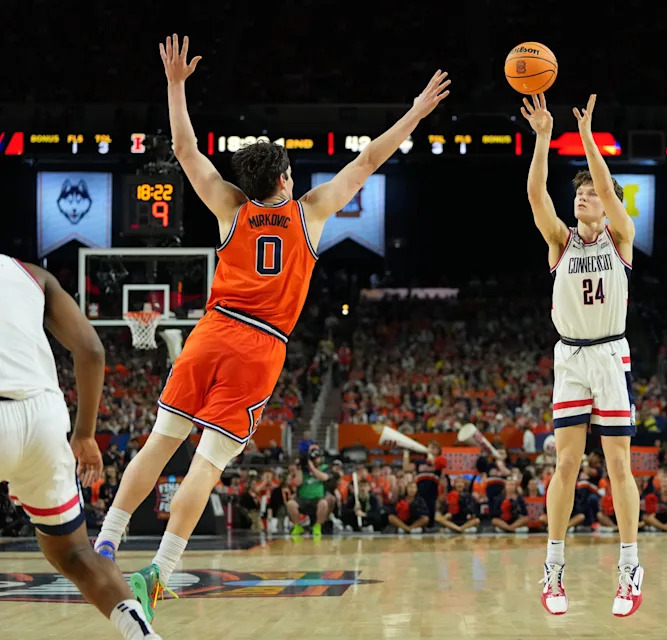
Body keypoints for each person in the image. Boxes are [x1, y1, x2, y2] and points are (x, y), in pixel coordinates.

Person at [93, 33, 451, 623]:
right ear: (285, 178)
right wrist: (414, 112)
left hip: (211, 332)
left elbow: (184, 149)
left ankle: (107, 539)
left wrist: (176, 85)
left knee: (161, 441)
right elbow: (366, 161)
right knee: (205, 465)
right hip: (260, 348)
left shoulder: (230, 207)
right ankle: (161, 567)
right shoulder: (308, 213)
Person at [523, 90, 642, 617]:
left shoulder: (621, 237)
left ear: (608, 200)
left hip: (610, 356)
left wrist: (590, 140)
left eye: (592, 193)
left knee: (618, 465)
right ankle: (553, 569)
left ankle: (629, 568)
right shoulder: (560, 242)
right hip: (570, 358)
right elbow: (535, 197)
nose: (582, 198)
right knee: (566, 463)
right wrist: (546, 139)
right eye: (580, 193)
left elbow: (612, 199)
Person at [0, 257, 161, 639]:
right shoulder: (31, 275)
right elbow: (91, 350)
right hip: (42, 414)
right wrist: (85, 434)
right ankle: (141, 634)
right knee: (74, 554)